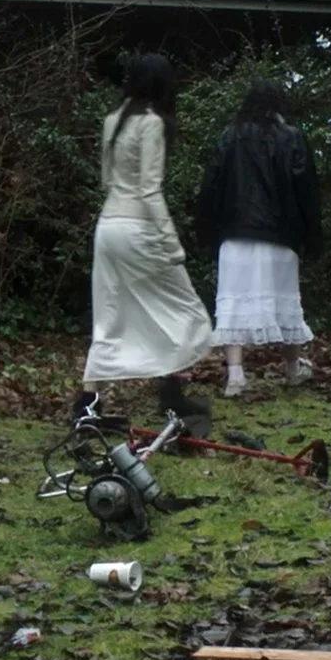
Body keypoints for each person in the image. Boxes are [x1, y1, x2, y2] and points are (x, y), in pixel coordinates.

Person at [74, 53, 212, 426]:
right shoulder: (151, 124)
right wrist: (172, 245)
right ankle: (172, 396)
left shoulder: (112, 120)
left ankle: (87, 408)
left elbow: (106, 180)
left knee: (109, 315)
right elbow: (150, 190)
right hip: (138, 228)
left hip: (108, 226)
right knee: (189, 313)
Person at [196, 79, 322, 397]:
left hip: (236, 233)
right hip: (281, 234)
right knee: (288, 303)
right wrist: (312, 233)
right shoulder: (292, 138)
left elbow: (211, 186)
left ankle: (236, 377)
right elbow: (307, 190)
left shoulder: (229, 138)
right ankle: (292, 370)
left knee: (233, 305)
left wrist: (207, 231)